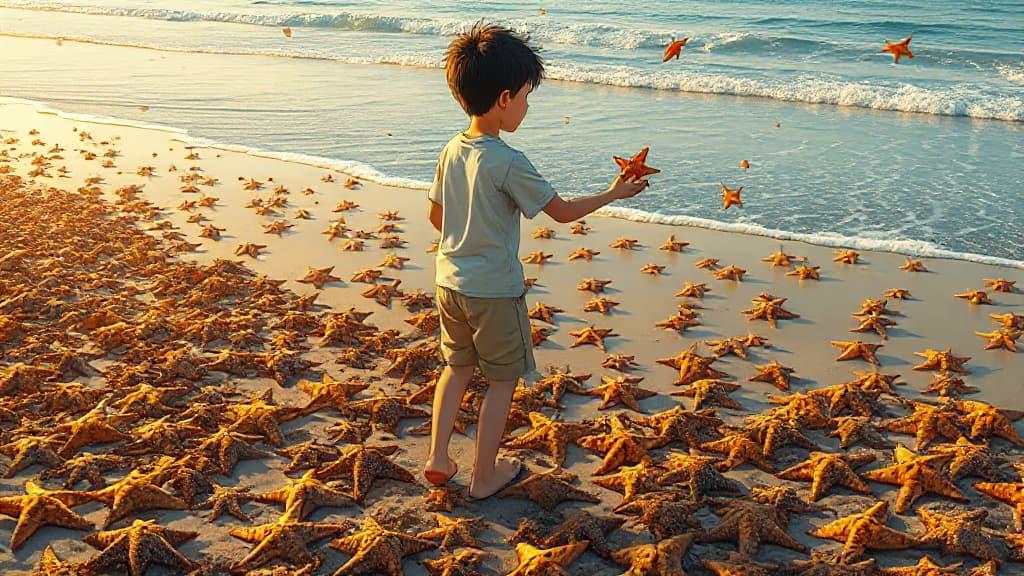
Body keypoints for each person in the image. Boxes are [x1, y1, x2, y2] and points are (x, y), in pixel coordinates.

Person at [423, 21, 650, 499]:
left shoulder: (451, 149)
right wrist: (614, 193)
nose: (527, 106)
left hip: (449, 283)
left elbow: (436, 217)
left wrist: (467, 239)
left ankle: (438, 459)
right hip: (494, 291)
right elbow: (563, 214)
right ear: (504, 98)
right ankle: (484, 476)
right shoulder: (507, 161)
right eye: (526, 97)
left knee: (456, 369)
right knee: (502, 381)